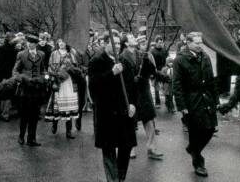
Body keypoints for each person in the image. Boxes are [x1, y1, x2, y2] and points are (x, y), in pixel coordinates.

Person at [89, 31, 137, 182]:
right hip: (107, 112)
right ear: (105, 43)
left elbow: (132, 86)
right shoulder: (96, 61)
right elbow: (94, 86)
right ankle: (113, 179)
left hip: (124, 111)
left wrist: (133, 104)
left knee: (126, 146)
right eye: (113, 43)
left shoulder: (124, 61)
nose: (116, 46)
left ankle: (120, 177)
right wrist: (111, 73)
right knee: (108, 149)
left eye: (118, 44)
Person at [173, 31, 218, 177]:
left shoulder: (205, 57)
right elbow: (177, 85)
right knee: (195, 132)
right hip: (191, 101)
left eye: (201, 42)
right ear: (188, 42)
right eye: (197, 43)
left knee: (210, 129)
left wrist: (215, 99)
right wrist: (182, 106)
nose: (200, 45)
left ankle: (192, 149)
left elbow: (211, 80)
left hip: (207, 99)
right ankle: (198, 163)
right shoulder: (180, 60)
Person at [120, 34, 163, 160]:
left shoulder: (141, 54)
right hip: (131, 94)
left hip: (143, 92)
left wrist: (148, 64)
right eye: (132, 38)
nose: (135, 39)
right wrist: (132, 79)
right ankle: (130, 148)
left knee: (149, 120)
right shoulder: (122, 57)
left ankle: (151, 148)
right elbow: (122, 78)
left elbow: (151, 71)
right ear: (127, 43)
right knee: (131, 122)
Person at [12, 34, 47, 146]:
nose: (29, 44)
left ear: (36, 44)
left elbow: (43, 70)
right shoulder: (21, 54)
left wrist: (43, 78)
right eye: (28, 42)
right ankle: (21, 136)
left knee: (35, 114)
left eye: (31, 42)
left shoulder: (41, 54)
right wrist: (21, 78)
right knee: (24, 114)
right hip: (25, 88)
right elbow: (15, 71)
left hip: (37, 88)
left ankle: (31, 138)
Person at [45, 39, 80, 139]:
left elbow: (76, 67)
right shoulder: (53, 54)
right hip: (58, 82)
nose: (61, 44)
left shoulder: (71, 54)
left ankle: (68, 131)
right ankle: (54, 124)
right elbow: (49, 67)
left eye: (63, 42)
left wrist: (71, 69)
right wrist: (55, 76)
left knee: (68, 106)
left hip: (68, 82)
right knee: (57, 104)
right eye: (59, 42)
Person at [151, 36, 168, 107]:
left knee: (166, 86)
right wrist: (152, 73)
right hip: (156, 71)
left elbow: (167, 59)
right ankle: (157, 102)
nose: (161, 44)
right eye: (159, 42)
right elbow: (151, 63)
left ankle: (168, 102)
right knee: (156, 88)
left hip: (164, 70)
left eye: (162, 42)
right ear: (156, 43)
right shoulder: (152, 51)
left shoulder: (164, 50)